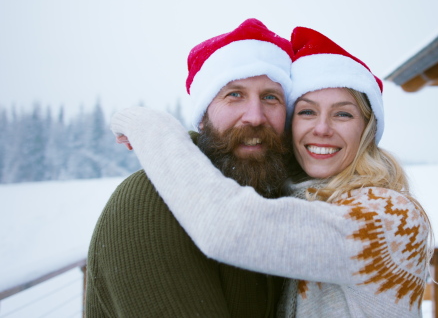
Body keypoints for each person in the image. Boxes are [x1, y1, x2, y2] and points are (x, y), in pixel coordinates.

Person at [111, 26, 433, 317]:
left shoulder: (388, 217)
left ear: (367, 129)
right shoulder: (299, 199)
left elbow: (229, 228)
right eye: (307, 111)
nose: (321, 129)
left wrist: (157, 131)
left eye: (343, 114)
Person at [85, 18, 294, 317]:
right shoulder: (149, 200)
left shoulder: (283, 194)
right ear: (203, 115)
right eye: (234, 94)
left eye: (271, 97)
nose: (255, 116)